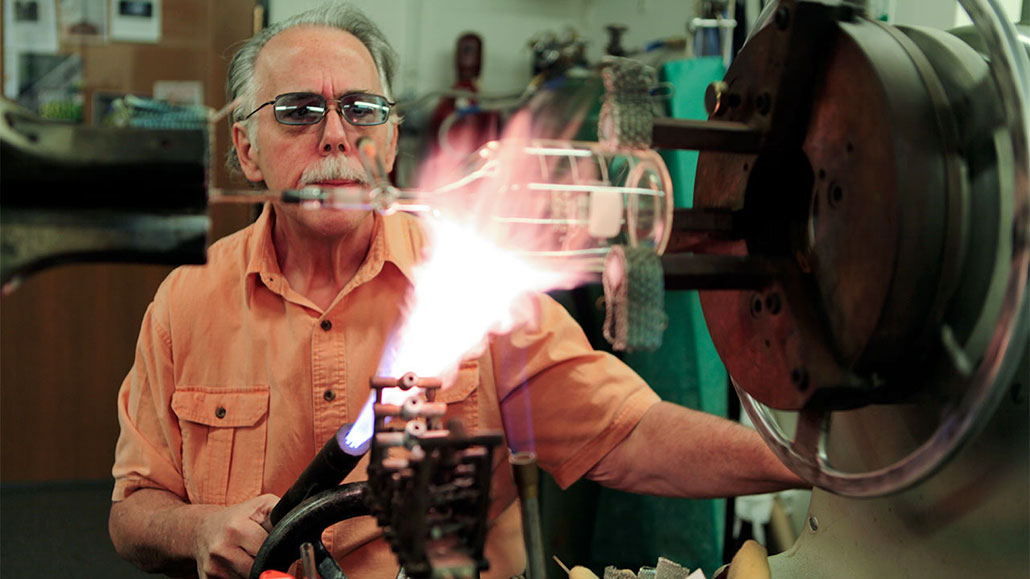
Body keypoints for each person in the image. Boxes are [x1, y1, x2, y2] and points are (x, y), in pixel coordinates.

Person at [108, 4, 804, 579]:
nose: (334, 136)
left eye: (361, 110)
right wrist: (200, 529)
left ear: (387, 141)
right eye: (296, 111)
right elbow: (133, 508)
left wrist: (811, 467)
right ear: (247, 147)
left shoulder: (472, 274)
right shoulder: (185, 301)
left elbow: (632, 434)